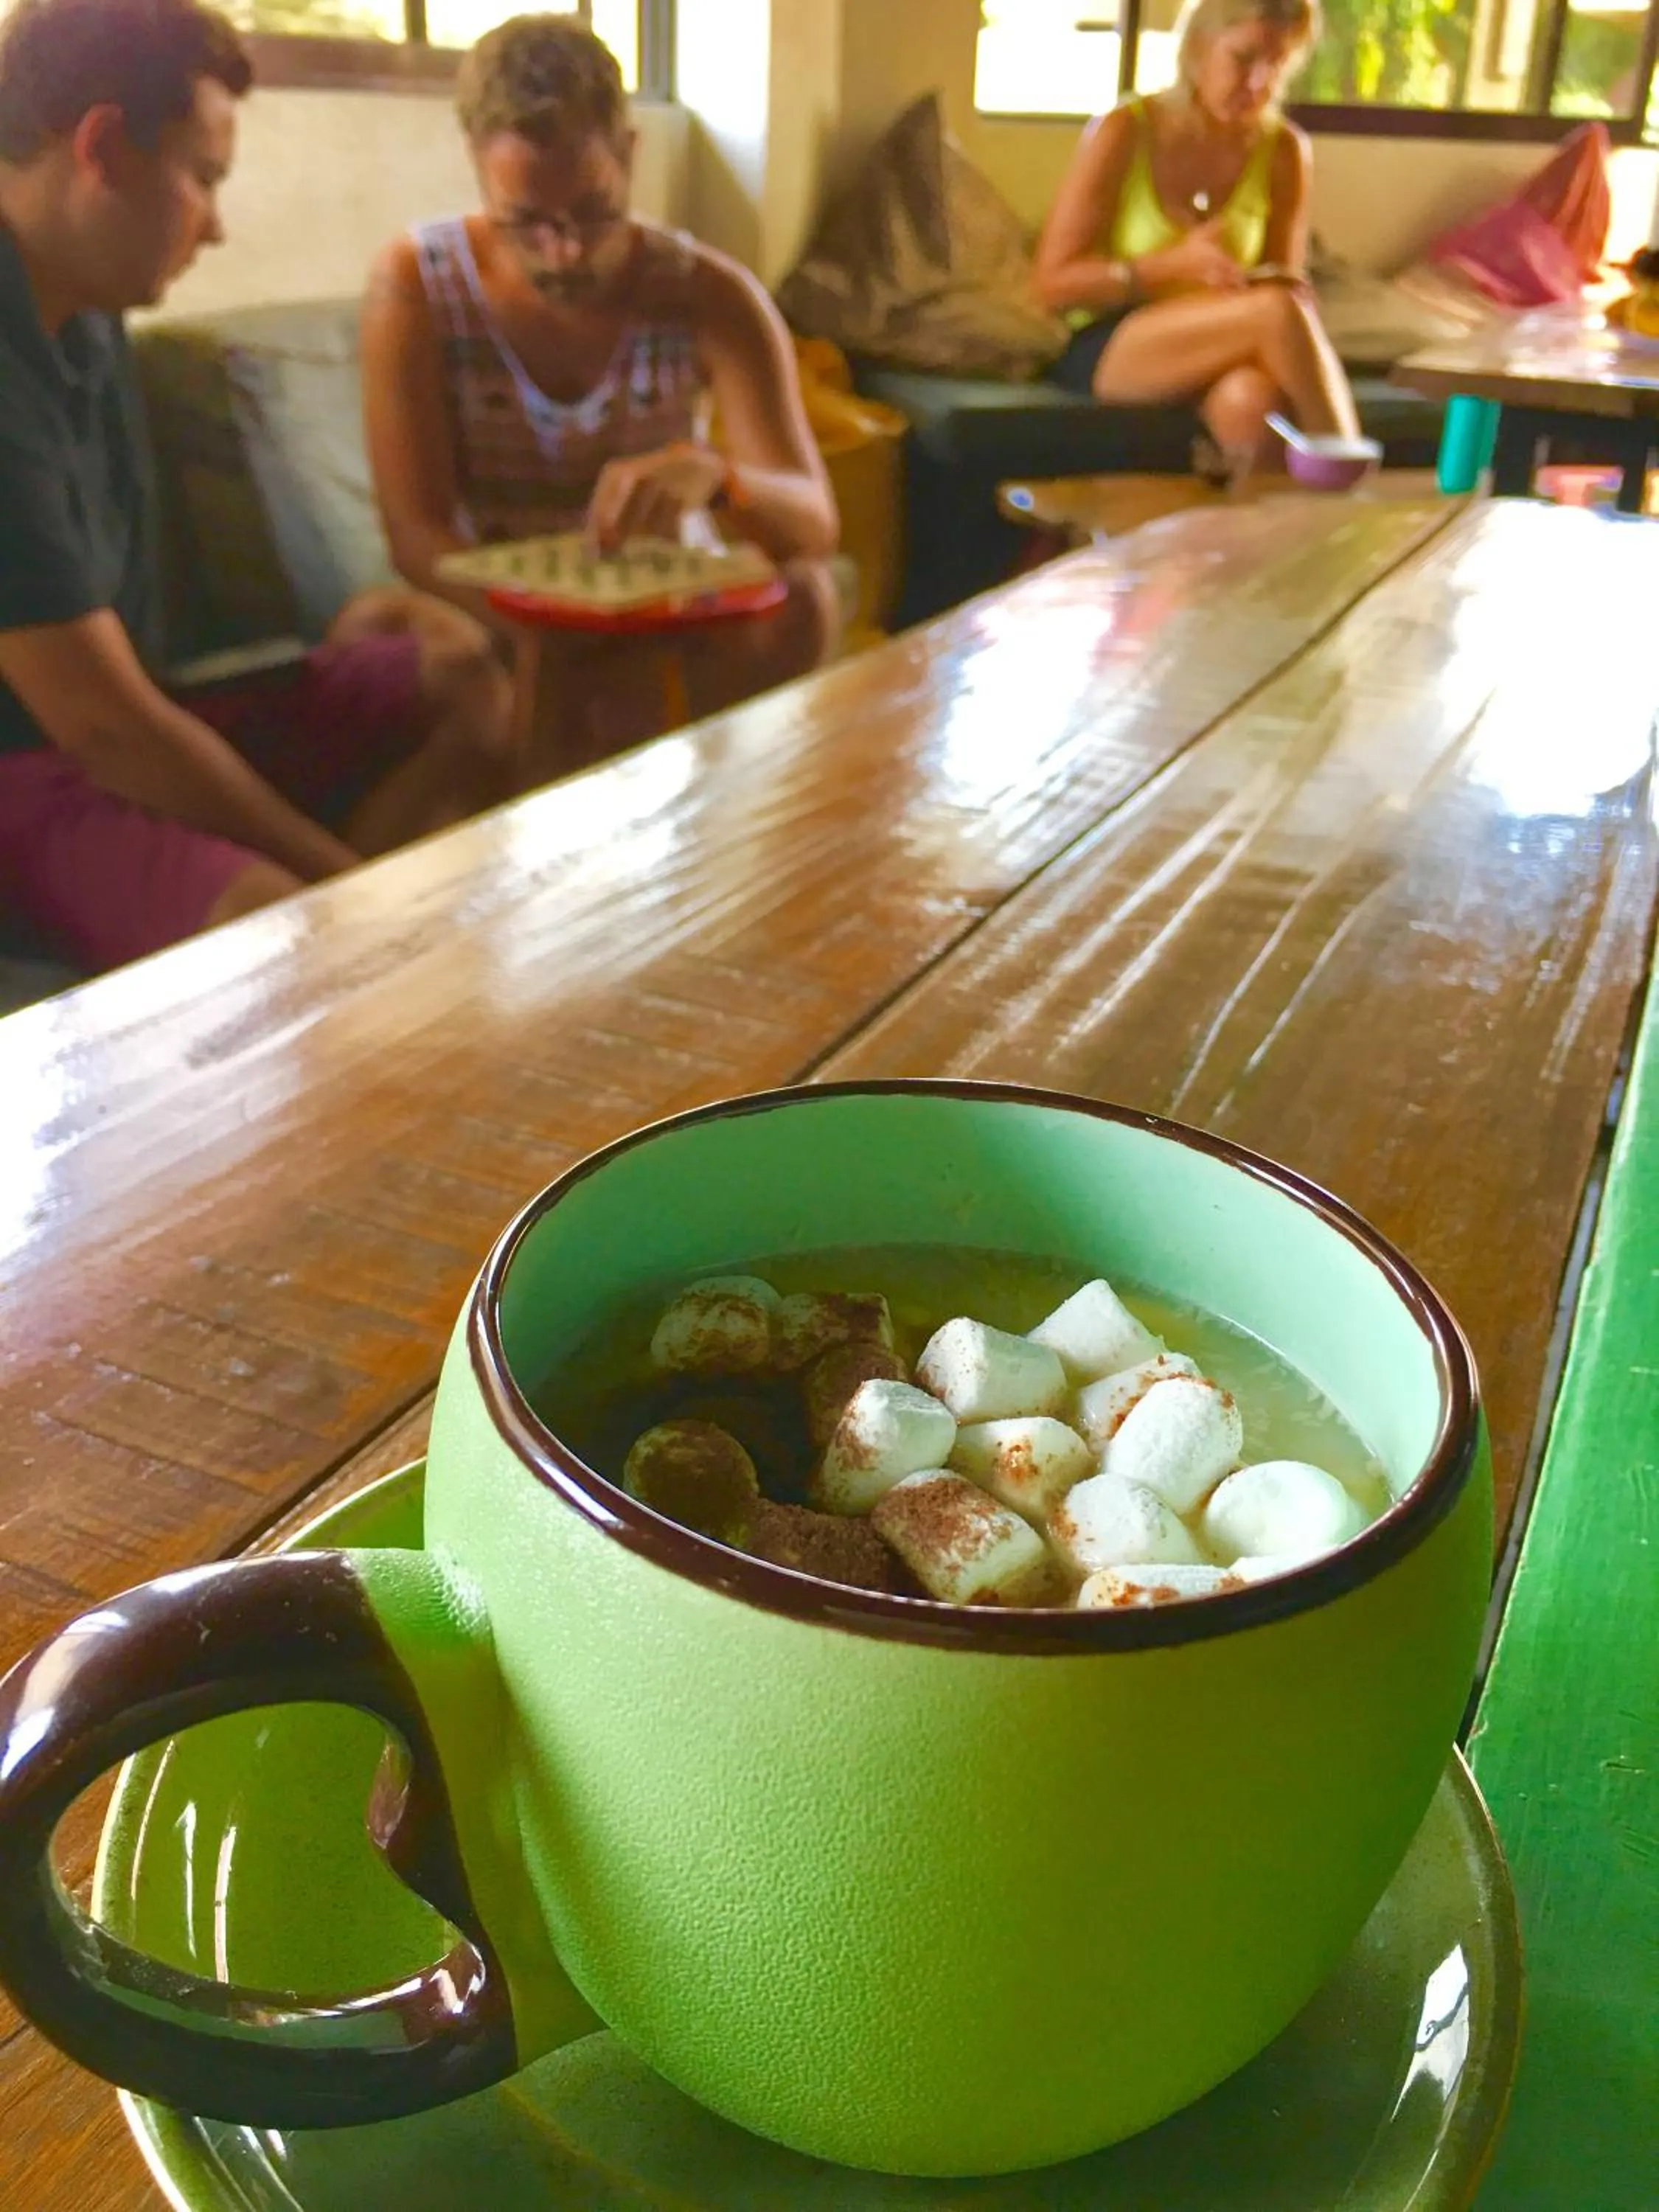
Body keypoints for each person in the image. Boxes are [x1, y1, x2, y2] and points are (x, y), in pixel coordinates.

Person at [0, 0, 515, 977]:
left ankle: (384, 966)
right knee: (270, 931)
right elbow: (103, 727)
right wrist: (343, 891)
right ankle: (377, 960)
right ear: (102, 148)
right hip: (22, 775)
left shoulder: (84, 311)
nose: (217, 227)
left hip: (130, 722)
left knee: (463, 677)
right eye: (203, 178)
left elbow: (140, 697)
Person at [361, 15, 840, 770]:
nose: (566, 252)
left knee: (805, 599)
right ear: (478, 167)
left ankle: (736, 811)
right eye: (527, 222)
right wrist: (555, 625)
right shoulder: (417, 284)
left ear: (629, 152)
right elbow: (418, 537)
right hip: (497, 606)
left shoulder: (709, 293)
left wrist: (719, 479)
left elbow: (813, 522)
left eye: (593, 212)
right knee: (399, 638)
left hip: (656, 602)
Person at [1034, 0, 1359, 476]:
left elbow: (1281, 281)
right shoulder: (1125, 129)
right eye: (1244, 58)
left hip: (1225, 341)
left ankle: (1262, 526)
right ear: (1199, 45)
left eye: (1277, 65)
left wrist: (1264, 285)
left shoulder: (1285, 151)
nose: (1259, 84)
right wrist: (1169, 267)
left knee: (1251, 403)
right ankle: (1352, 483)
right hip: (1115, 340)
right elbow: (1052, 286)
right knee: (1276, 313)